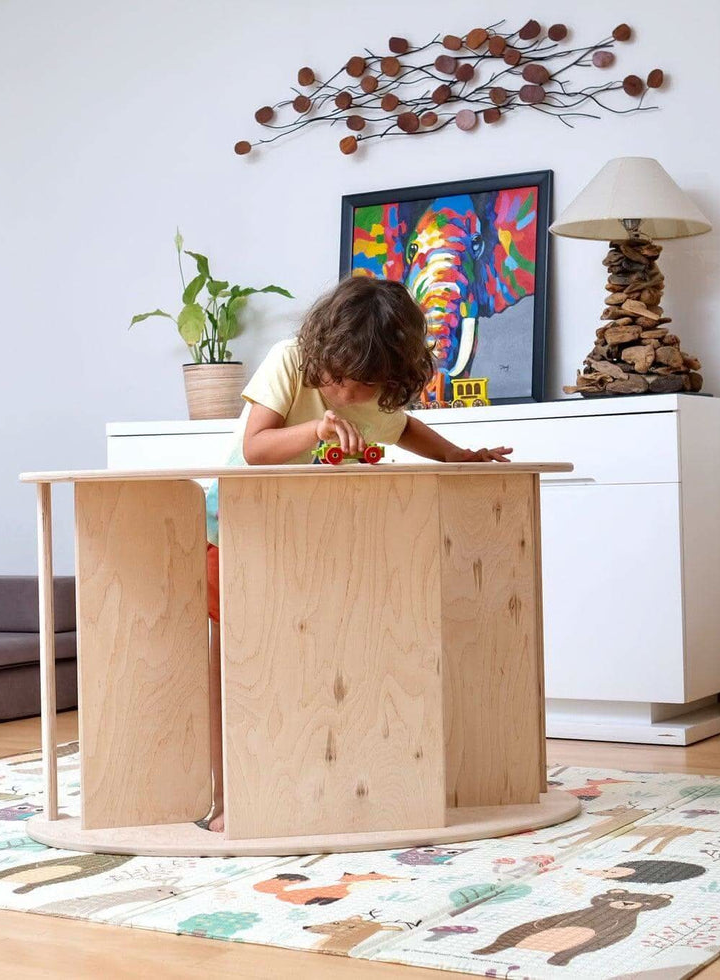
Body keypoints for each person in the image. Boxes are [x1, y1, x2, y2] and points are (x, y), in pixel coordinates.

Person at [202, 276, 514, 832]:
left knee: (318, 661)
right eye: (340, 380)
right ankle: (229, 797)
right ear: (324, 352)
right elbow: (254, 449)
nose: (347, 396)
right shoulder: (291, 361)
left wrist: (458, 456)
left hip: (310, 546)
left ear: (392, 379)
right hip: (237, 534)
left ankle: (320, 779)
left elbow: (406, 428)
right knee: (241, 665)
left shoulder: (377, 398)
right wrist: (314, 430)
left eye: (365, 385)